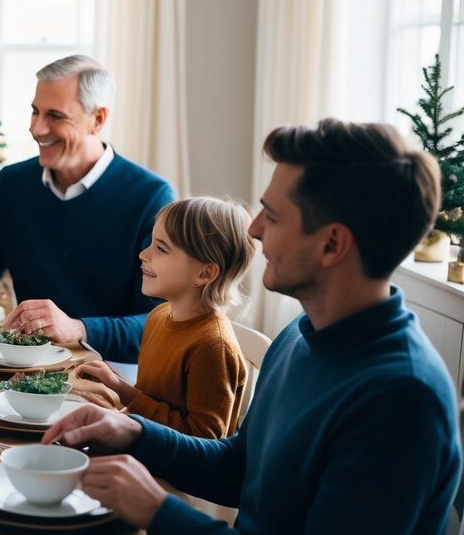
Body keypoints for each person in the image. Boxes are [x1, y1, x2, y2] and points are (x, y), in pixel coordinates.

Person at [43, 119, 462, 533]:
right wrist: (134, 432)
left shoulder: (401, 400)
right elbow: (240, 467)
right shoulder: (300, 335)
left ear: (332, 244)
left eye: (274, 216)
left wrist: (158, 511)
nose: (255, 229)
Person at [0, 54, 175, 364]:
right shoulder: (12, 184)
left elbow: (160, 322)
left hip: (112, 375)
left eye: (55, 115)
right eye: (35, 111)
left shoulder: (151, 197)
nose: (37, 128)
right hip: (26, 368)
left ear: (98, 119)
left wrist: (79, 328)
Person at [74, 197, 253, 438]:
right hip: (145, 449)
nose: (143, 254)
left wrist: (126, 412)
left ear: (205, 273)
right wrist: (116, 385)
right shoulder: (158, 317)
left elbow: (203, 439)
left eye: (161, 248)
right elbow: (152, 401)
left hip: (173, 473)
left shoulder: (213, 346)